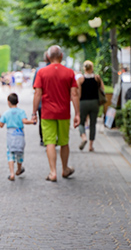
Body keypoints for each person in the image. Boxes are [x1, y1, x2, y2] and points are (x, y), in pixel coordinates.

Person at [32, 45, 80, 182]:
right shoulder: (69, 72)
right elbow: (74, 94)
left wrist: (34, 112)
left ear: (48, 56)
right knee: (64, 142)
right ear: (61, 56)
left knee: (50, 142)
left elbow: (37, 93)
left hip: (47, 113)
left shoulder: (42, 72)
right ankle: (65, 169)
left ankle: (53, 172)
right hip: (64, 112)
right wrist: (77, 113)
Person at [0, 93, 35, 181]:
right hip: (19, 133)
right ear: (17, 101)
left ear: (8, 102)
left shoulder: (6, 113)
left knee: (10, 153)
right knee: (19, 152)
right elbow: (25, 121)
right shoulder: (21, 112)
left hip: (10, 134)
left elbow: (1, 125)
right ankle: (19, 169)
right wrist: (32, 121)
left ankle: (12, 174)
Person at [77, 60, 104, 152]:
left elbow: (78, 94)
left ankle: (84, 137)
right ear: (92, 68)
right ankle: (90, 146)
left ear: (84, 69)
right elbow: (102, 89)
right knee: (93, 124)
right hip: (94, 103)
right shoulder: (97, 78)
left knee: (81, 122)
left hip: (83, 103)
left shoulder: (80, 79)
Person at [32, 51, 51, 146]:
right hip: (56, 102)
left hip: (42, 102)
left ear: (45, 59)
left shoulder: (39, 70)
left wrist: (33, 111)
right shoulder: (61, 69)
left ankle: (43, 139)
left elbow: (35, 88)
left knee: (42, 121)